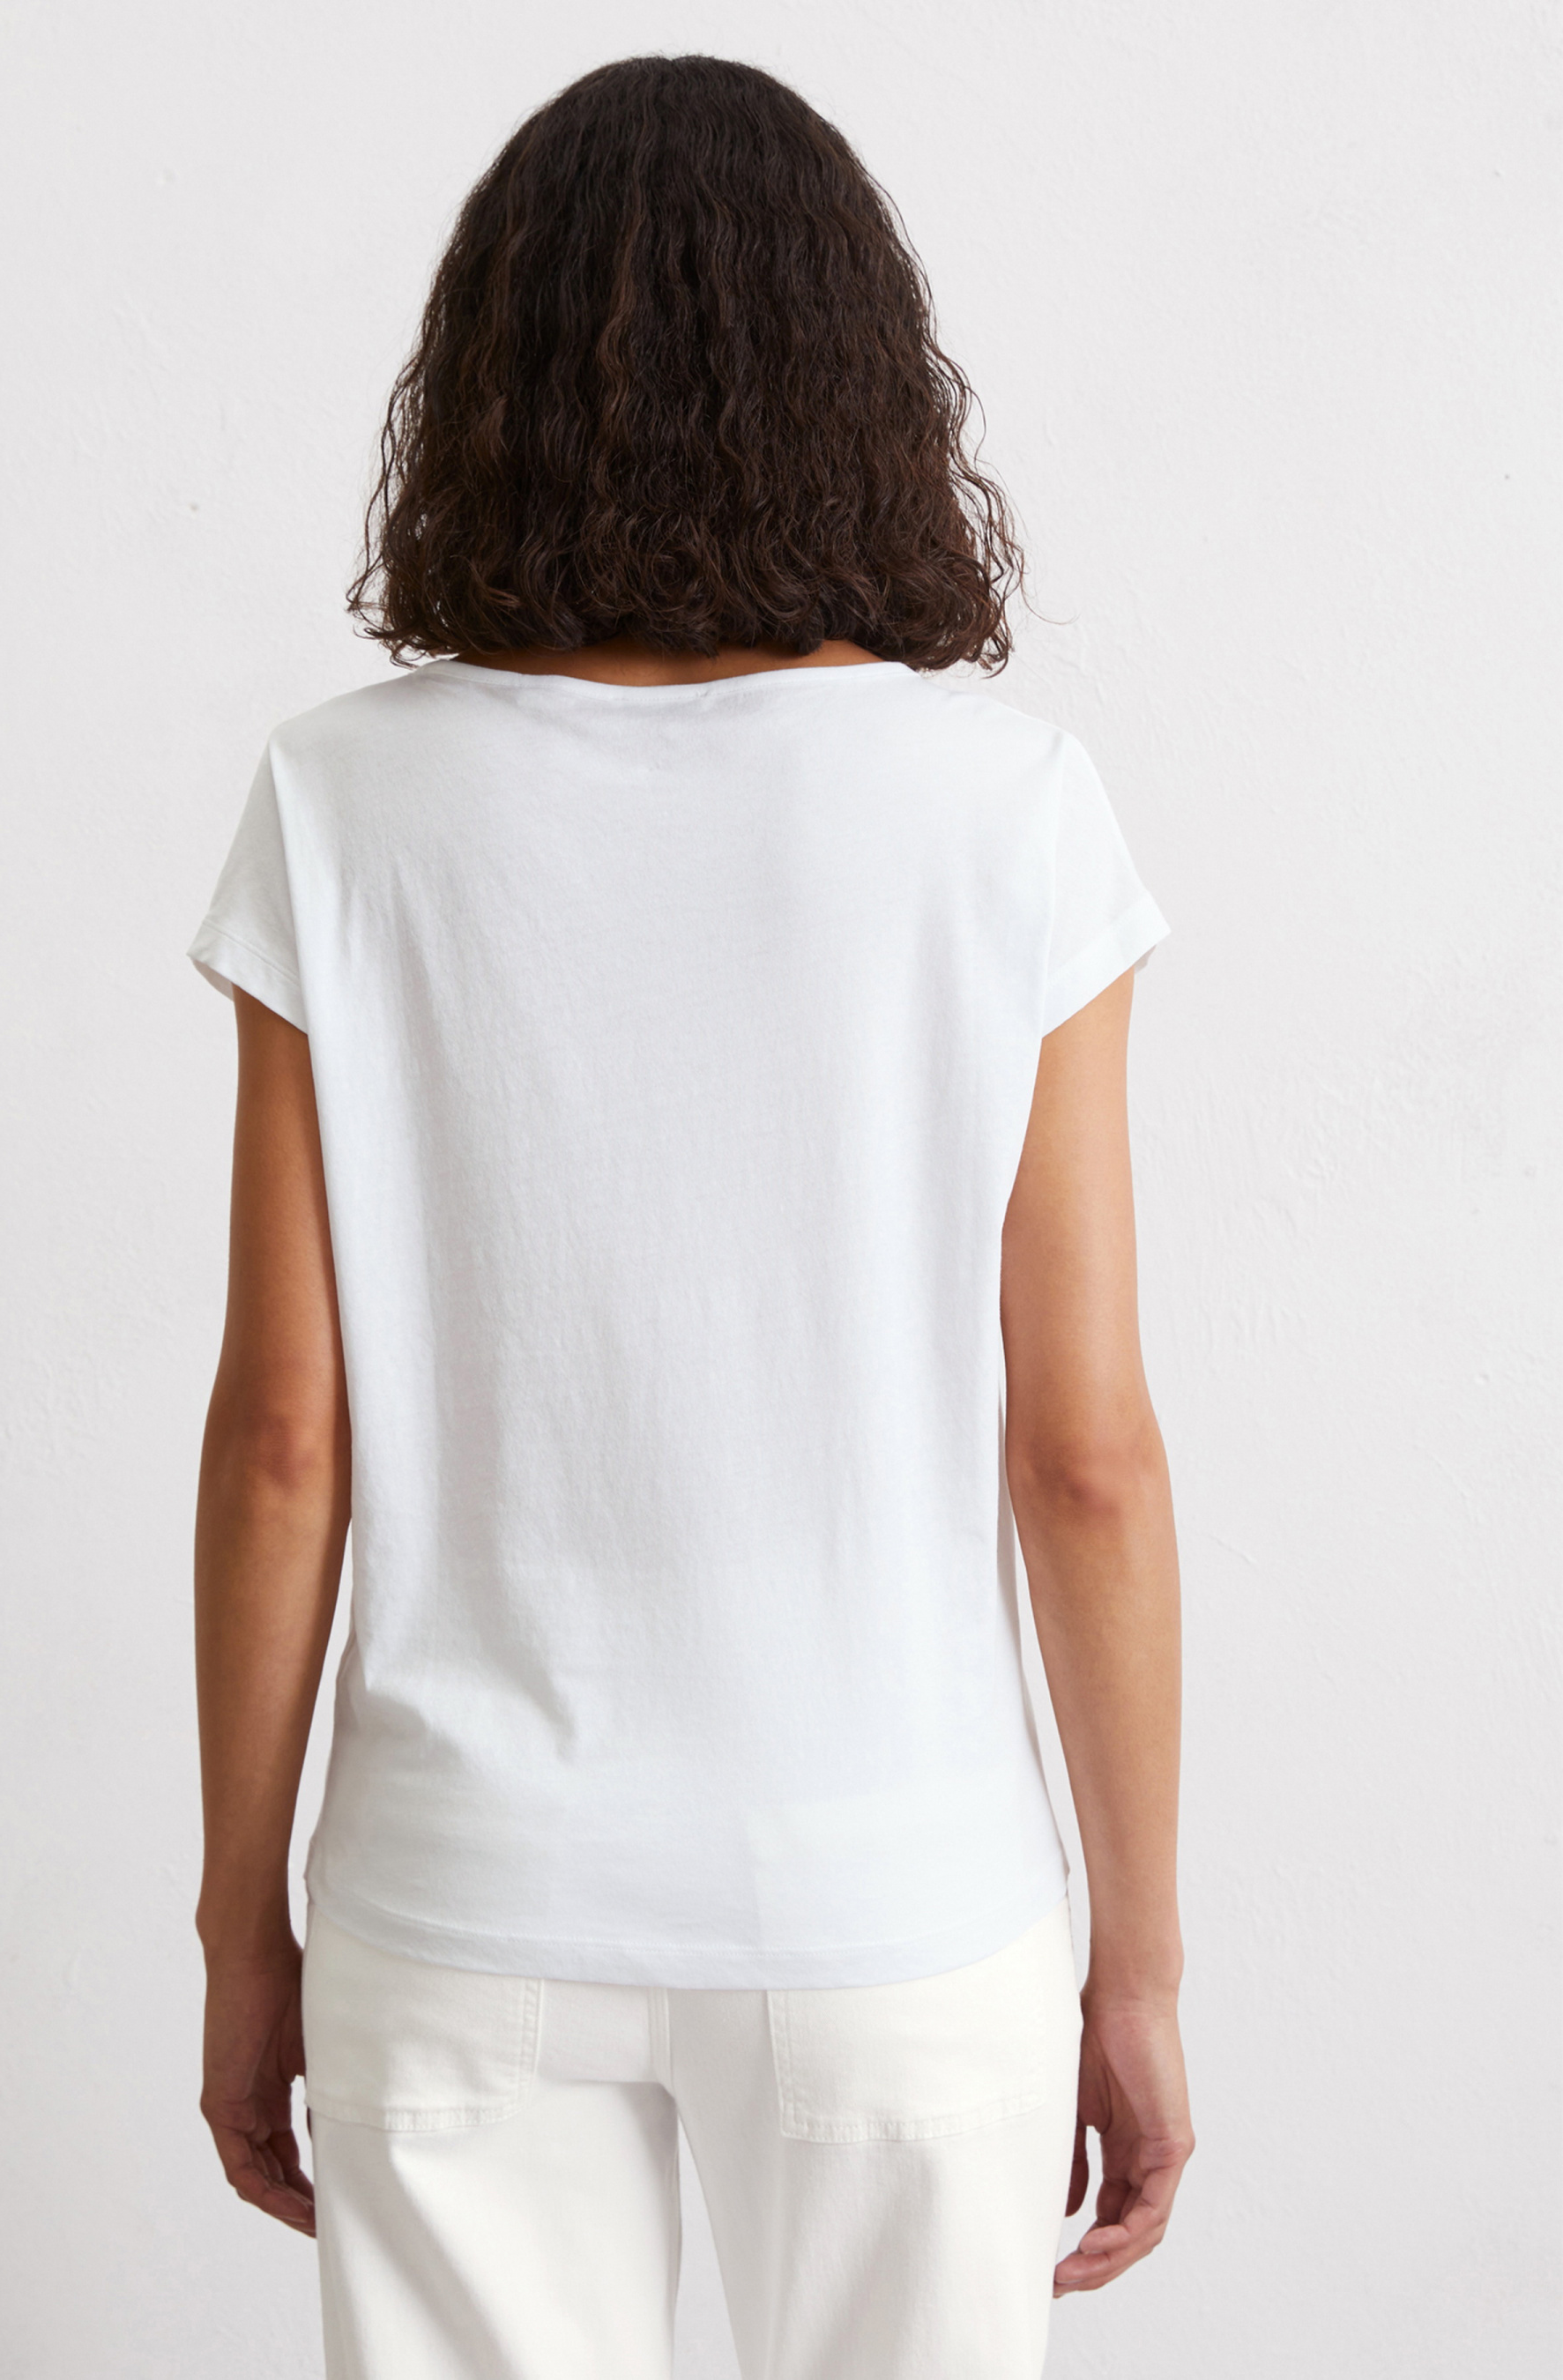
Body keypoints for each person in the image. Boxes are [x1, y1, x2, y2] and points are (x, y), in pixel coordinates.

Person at [185, 52, 1192, 2380]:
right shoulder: (1005, 811)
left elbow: (282, 1436)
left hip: (461, 1892)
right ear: (864, 384)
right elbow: (1087, 1452)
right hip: (895, 1900)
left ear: (490, 385)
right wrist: (1131, 1965)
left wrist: (243, 1927)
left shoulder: (344, 805)